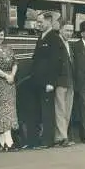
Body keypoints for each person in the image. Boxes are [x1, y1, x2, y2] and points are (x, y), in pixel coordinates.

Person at [28, 12, 62, 149]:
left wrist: (51, 82)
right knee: (39, 110)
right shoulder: (41, 37)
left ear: (49, 22)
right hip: (38, 81)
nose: (38, 24)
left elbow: (55, 62)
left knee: (47, 112)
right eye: (37, 22)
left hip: (47, 83)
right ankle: (39, 139)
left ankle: (48, 140)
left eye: (41, 22)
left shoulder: (54, 38)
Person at [53, 19, 76, 147]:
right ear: (60, 29)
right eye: (67, 30)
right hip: (60, 81)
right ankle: (62, 137)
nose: (69, 33)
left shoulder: (69, 44)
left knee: (67, 110)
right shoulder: (57, 43)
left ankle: (61, 136)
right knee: (60, 109)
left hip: (70, 81)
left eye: (71, 31)